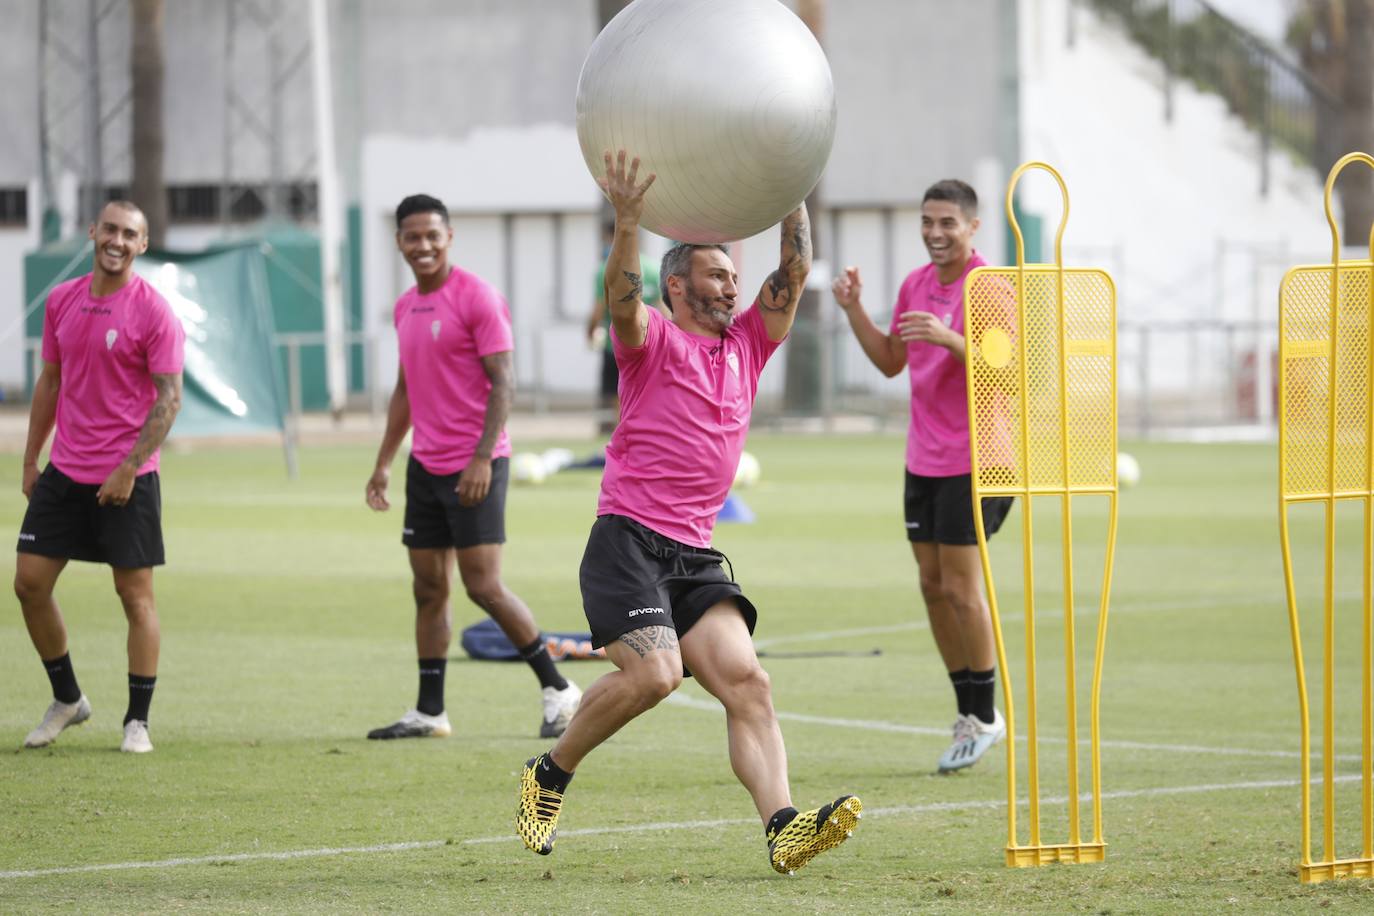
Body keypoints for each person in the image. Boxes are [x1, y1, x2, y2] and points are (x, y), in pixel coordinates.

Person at [515, 151, 862, 876]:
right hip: (628, 544)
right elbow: (619, 291)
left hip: (695, 555)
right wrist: (630, 220)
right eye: (715, 272)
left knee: (749, 683)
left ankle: (784, 828)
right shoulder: (648, 340)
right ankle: (549, 775)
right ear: (676, 285)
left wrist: (789, 186)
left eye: (735, 273)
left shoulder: (748, 346)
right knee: (656, 676)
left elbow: (794, 270)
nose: (732, 282)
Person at [365, 194, 581, 741]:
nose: (423, 246)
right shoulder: (405, 307)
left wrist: (483, 456)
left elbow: (504, 381)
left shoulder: (478, 297)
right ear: (399, 243)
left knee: (483, 586)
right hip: (425, 468)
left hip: (476, 465)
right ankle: (430, 712)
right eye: (412, 237)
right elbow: (405, 389)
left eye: (432, 235)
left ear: (449, 237)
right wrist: (385, 463)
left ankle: (558, 689)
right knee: (428, 590)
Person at [831, 179, 1012, 773]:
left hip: (980, 460)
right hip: (924, 460)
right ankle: (968, 712)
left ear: (972, 228)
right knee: (932, 586)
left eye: (947, 224)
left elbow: (1009, 372)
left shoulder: (990, 287)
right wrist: (854, 307)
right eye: (927, 222)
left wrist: (951, 339)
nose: (935, 233)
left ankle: (985, 716)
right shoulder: (914, 284)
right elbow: (890, 362)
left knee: (962, 589)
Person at [16, 199, 185, 754]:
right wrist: (30, 458)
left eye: (129, 233)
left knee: (134, 597)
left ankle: (137, 721)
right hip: (65, 470)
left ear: (142, 244)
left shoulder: (155, 312)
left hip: (127, 476)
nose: (116, 240)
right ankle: (68, 699)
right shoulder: (63, 300)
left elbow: (169, 398)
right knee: (29, 583)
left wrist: (129, 467)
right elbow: (50, 381)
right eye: (109, 228)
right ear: (93, 232)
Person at [586, 218, 661, 434]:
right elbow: (665, 310)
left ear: (612, 238)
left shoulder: (605, 270)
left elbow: (598, 310)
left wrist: (590, 334)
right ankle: (646, 434)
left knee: (620, 395)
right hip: (651, 346)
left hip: (617, 346)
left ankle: (626, 437)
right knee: (648, 392)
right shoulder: (654, 268)